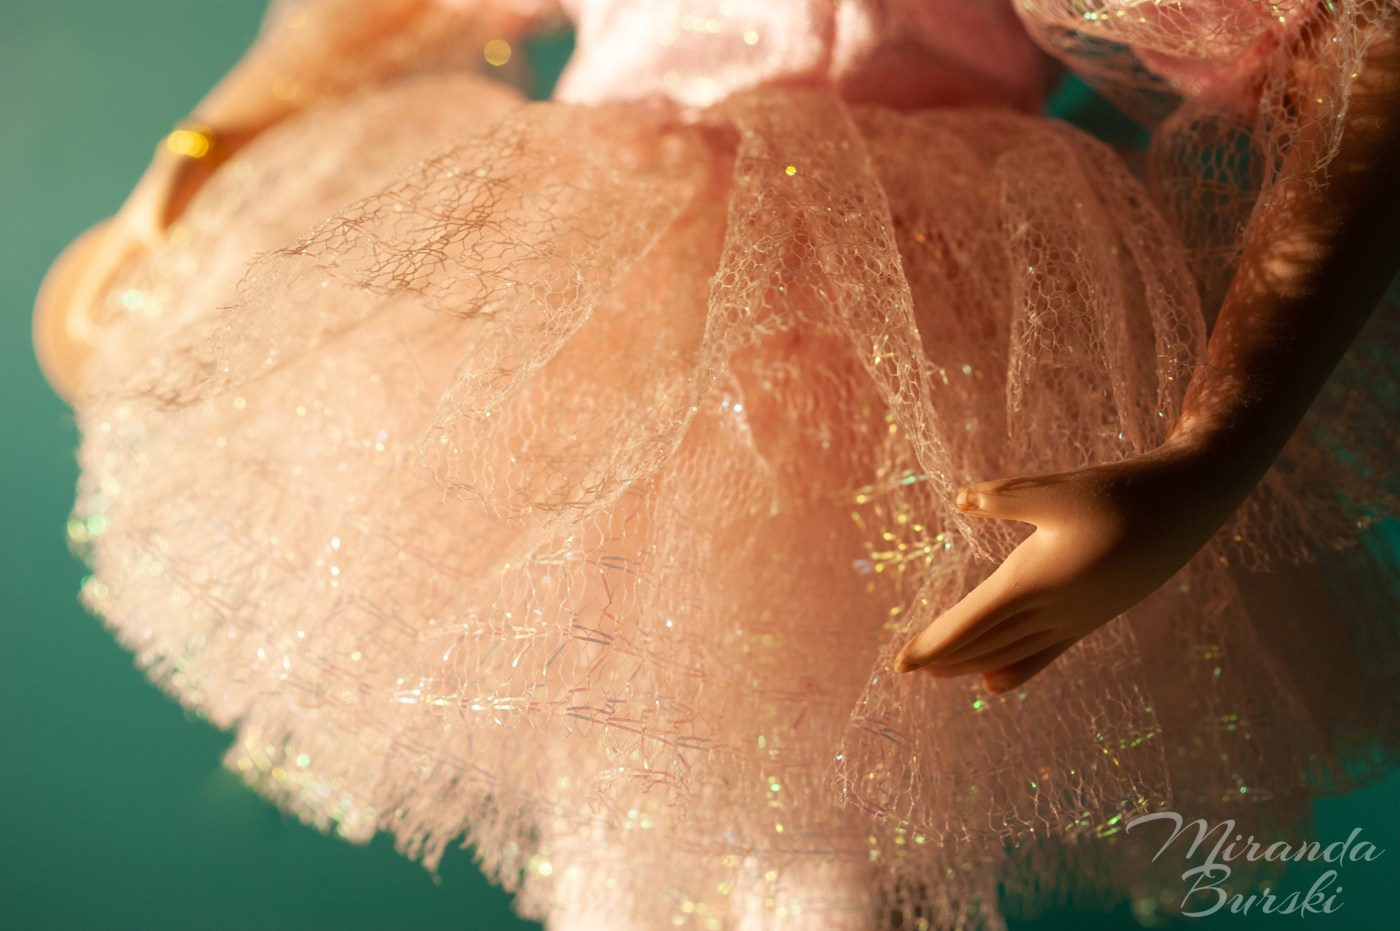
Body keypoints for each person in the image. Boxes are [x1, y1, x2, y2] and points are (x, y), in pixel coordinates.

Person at [34, 1, 1400, 928]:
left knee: (850, 852)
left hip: (928, 346)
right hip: (592, 315)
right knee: (635, 811)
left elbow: (1352, 64)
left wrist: (1213, 450)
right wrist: (204, 153)